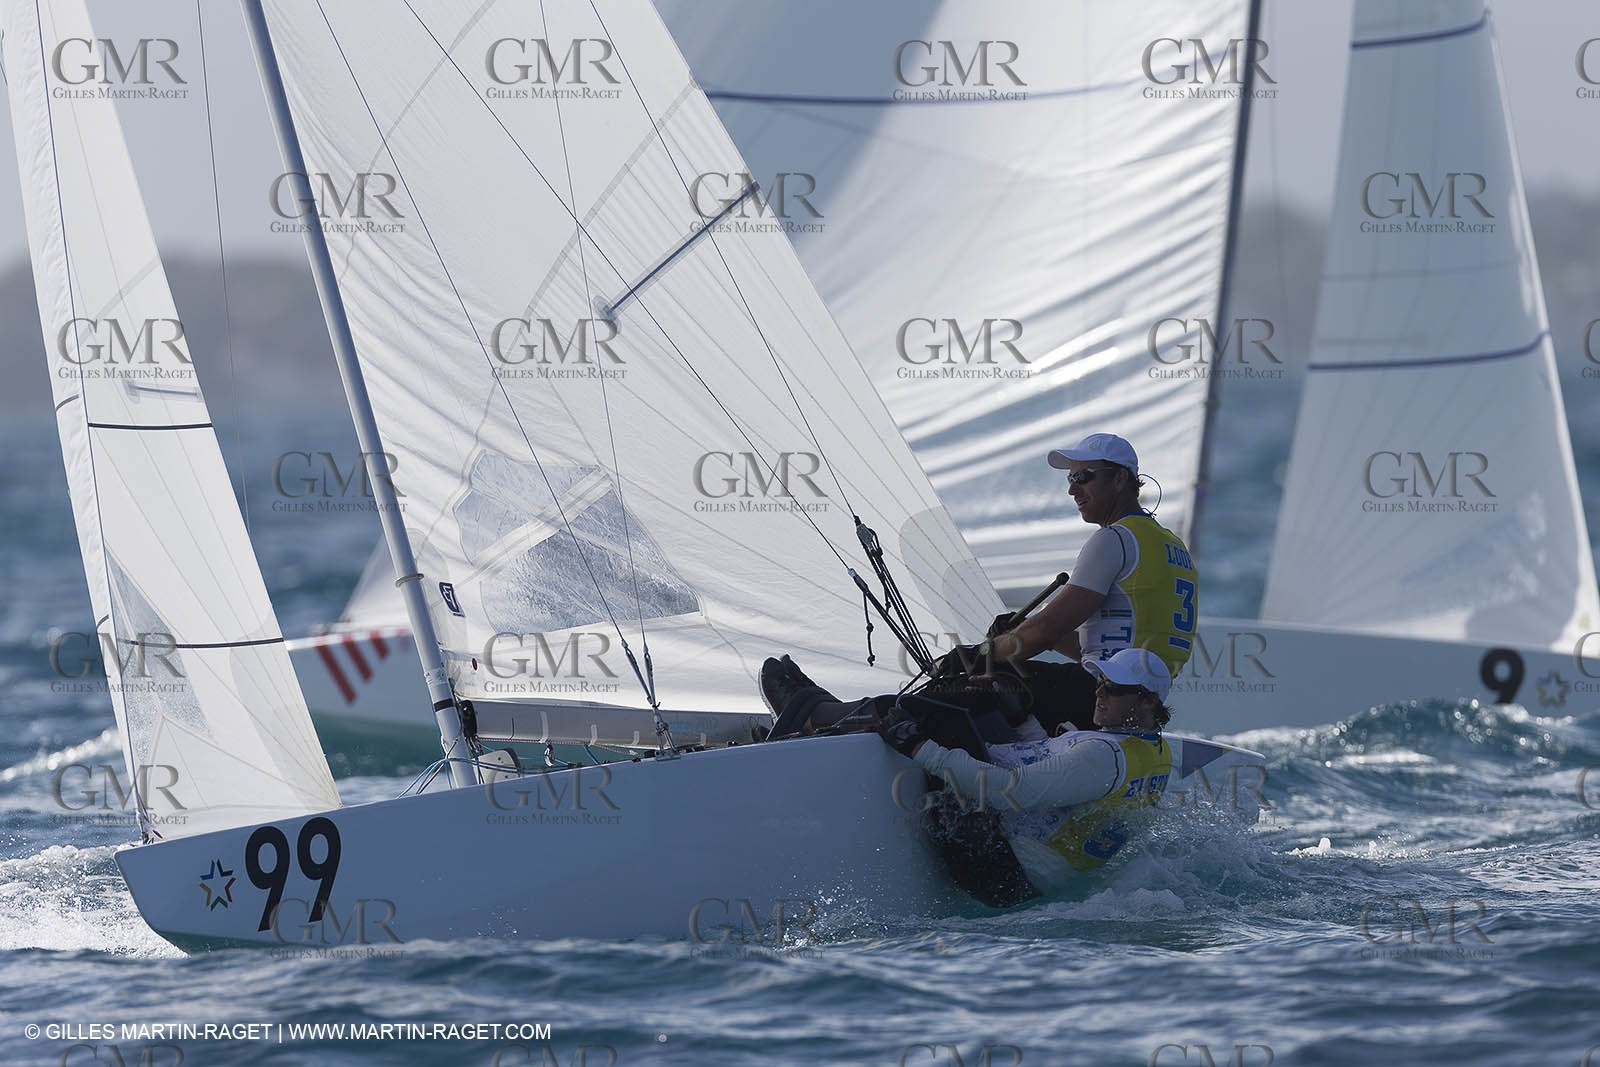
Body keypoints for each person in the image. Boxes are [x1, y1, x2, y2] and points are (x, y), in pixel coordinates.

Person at [761, 432, 1196, 737]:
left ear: (1121, 478)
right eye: (1069, 479)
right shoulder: (1170, 546)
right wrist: (1014, 637)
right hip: (1139, 700)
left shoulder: (1113, 539)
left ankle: (817, 716)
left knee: (961, 684)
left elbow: (1042, 634)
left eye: (1084, 477)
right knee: (997, 668)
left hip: (1098, 695)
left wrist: (980, 655)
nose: (1072, 490)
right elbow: (1099, 648)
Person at [878, 647, 1175, 904]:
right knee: (980, 702)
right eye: (1100, 682)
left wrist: (916, 745)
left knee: (940, 712)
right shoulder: (1156, 752)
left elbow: (1010, 792)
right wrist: (1021, 717)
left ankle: (849, 719)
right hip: (1033, 877)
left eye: (1113, 688)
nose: (1098, 692)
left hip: (999, 874)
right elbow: (1059, 772)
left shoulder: (1103, 756)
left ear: (1147, 701)